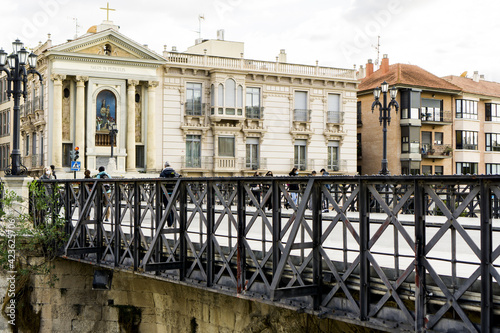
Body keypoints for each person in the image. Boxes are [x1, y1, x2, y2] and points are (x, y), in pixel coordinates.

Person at [160, 161, 179, 227]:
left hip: (165, 193)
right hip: (173, 192)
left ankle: (169, 224)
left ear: (165, 166)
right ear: (170, 166)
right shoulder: (175, 173)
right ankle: (173, 223)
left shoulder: (162, 173)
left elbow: (160, 184)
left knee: (167, 208)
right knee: (172, 208)